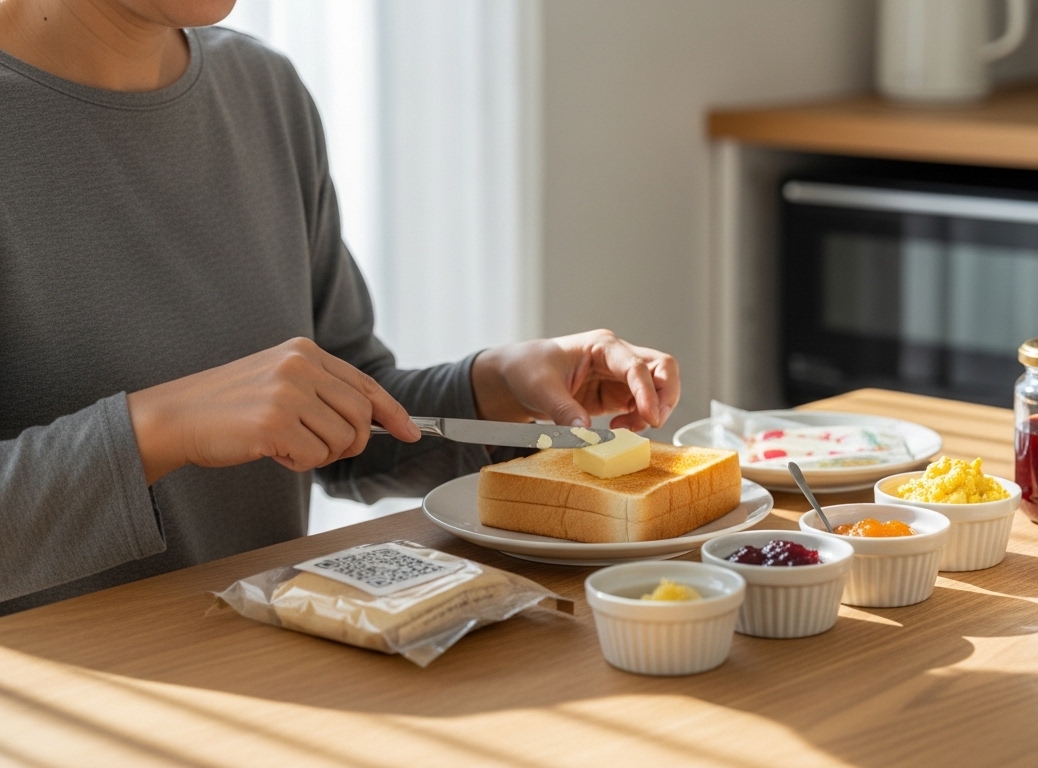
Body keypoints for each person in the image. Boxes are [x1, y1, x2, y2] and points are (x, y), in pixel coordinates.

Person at [0, 0, 679, 612]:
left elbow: (348, 425)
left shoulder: (263, 90)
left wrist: (497, 386)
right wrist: (161, 427)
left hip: (266, 663)